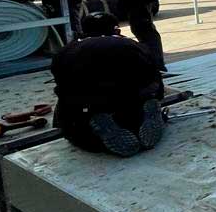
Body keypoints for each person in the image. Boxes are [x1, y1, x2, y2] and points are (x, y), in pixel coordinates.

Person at [51, 13, 165, 157]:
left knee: (73, 124)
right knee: (138, 99)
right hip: (130, 100)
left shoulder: (65, 51)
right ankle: (143, 116)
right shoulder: (133, 45)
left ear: (83, 32)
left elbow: (62, 90)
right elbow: (155, 78)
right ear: (117, 30)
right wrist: (156, 96)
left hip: (88, 104)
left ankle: (94, 130)